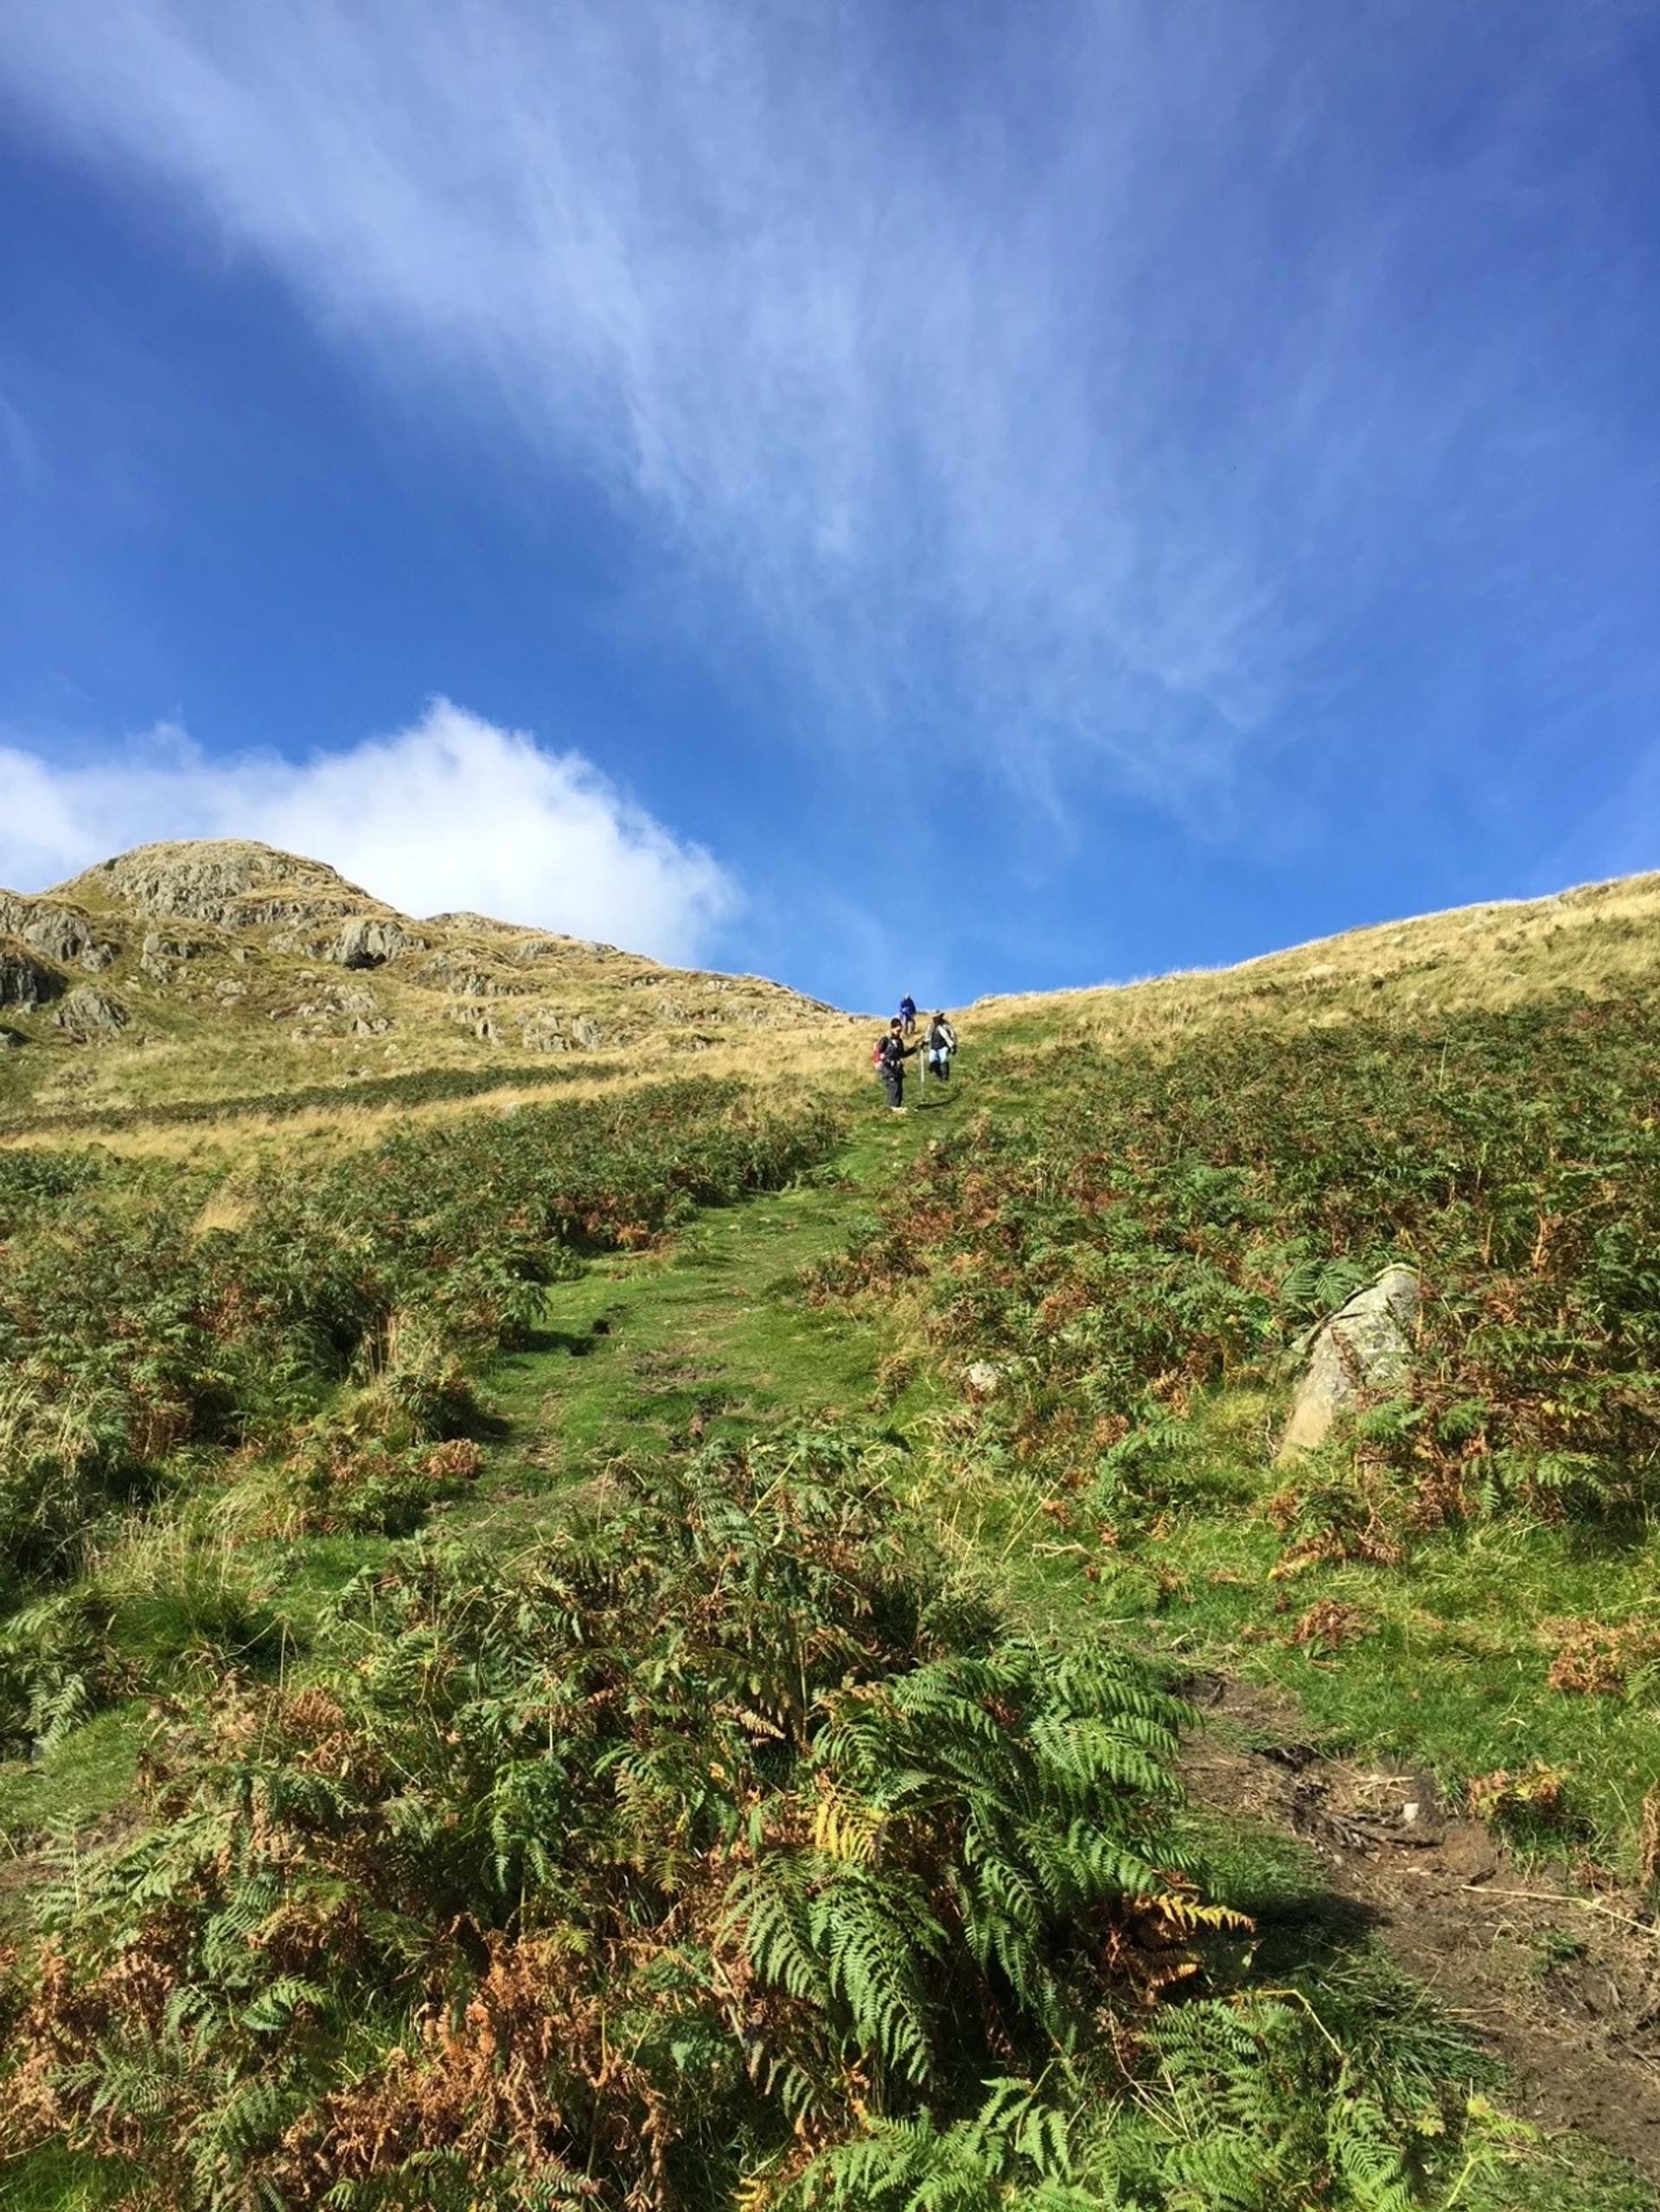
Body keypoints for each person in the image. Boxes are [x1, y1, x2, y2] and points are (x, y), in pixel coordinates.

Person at [875, 1017, 916, 1112]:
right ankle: (893, 1109)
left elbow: (902, 1054)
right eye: (898, 1030)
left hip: (897, 1070)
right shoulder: (885, 1039)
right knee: (894, 1087)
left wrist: (915, 1048)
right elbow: (879, 1053)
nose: (899, 1033)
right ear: (892, 1028)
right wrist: (888, 1061)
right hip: (888, 1069)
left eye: (901, 1031)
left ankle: (896, 1109)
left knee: (899, 1090)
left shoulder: (899, 1041)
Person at [926, 1010, 957, 1083]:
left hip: (943, 1046)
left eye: (936, 1017)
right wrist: (925, 1042)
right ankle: (939, 1076)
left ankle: (945, 1077)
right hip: (933, 1047)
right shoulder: (931, 1026)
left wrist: (953, 1045)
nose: (935, 1019)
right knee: (932, 1060)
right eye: (934, 1017)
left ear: (940, 1017)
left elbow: (952, 1034)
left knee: (944, 1059)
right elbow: (927, 1036)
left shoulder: (946, 1025)